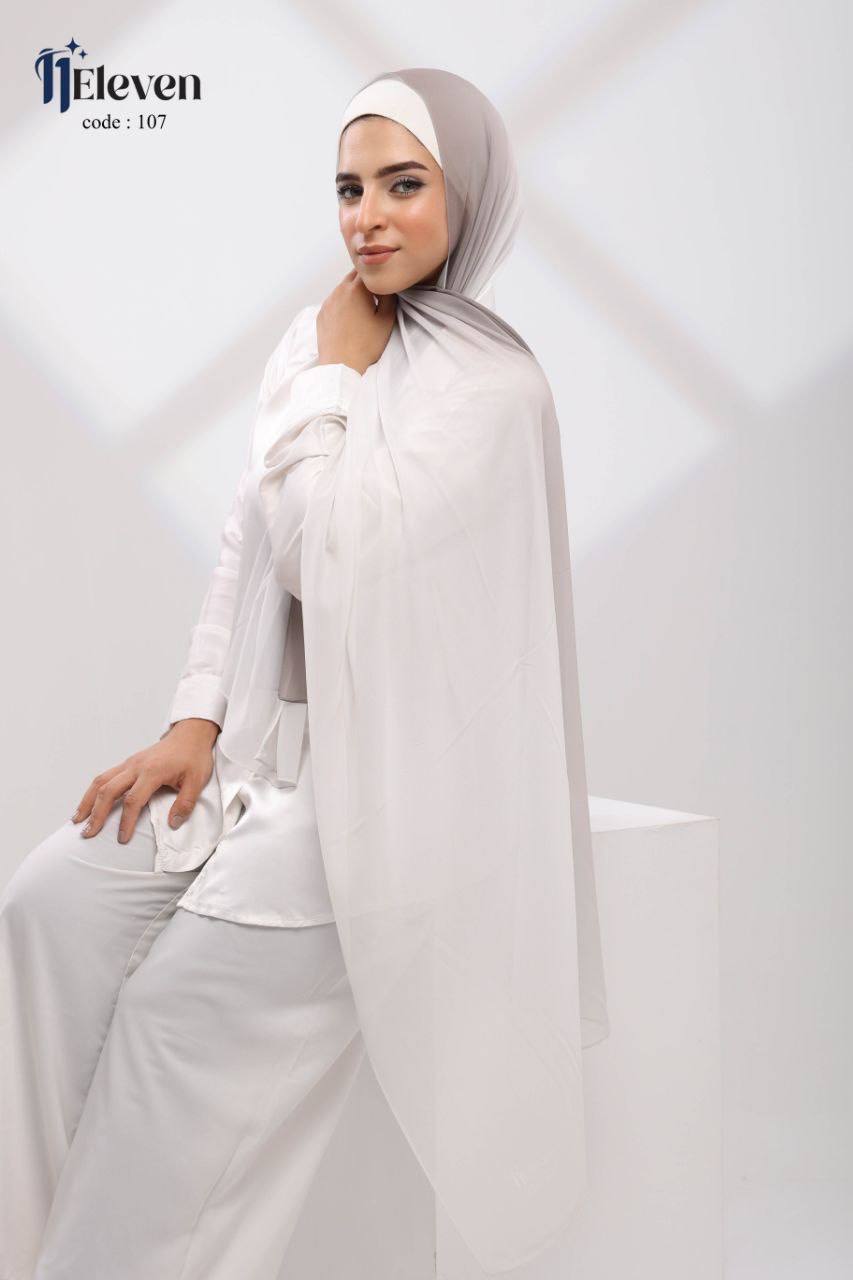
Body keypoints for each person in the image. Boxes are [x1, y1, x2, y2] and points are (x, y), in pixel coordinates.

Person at [0, 68, 609, 1279]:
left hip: (376, 801)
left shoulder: (492, 392)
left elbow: (333, 560)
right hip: (258, 762)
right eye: (348, 189)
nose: (366, 218)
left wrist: (333, 374)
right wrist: (193, 719)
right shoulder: (320, 335)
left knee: (172, 1022)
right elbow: (251, 539)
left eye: (403, 185)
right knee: (49, 904)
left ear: (467, 193)